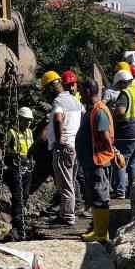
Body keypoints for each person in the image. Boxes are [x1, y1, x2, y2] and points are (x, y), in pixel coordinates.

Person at [76, 78, 120, 243]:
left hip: (98, 160)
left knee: (100, 196)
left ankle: (101, 233)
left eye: (81, 91)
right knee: (95, 195)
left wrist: (111, 151)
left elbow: (105, 135)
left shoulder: (99, 110)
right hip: (92, 161)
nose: (80, 94)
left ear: (88, 91)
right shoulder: (94, 109)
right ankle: (97, 229)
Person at [43, 69, 82, 227]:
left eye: (46, 90)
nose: (46, 94)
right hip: (74, 146)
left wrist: (59, 141)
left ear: (52, 86)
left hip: (64, 147)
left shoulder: (58, 101)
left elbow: (58, 119)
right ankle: (67, 213)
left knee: (65, 184)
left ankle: (67, 216)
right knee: (70, 182)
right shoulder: (75, 100)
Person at [108, 62, 135, 201]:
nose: (119, 88)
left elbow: (121, 112)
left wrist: (112, 114)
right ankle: (134, 191)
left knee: (121, 161)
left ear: (122, 82)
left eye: (119, 85)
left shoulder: (126, 92)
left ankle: (120, 191)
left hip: (129, 132)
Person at [0, 104, 36, 239]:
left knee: (25, 195)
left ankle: (21, 222)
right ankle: (17, 226)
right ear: (19, 119)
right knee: (18, 197)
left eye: (30, 120)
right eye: (26, 120)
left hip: (27, 168)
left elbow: (32, 149)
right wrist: (4, 162)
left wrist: (31, 160)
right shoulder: (12, 132)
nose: (28, 122)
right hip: (16, 168)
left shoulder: (30, 132)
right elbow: (1, 147)